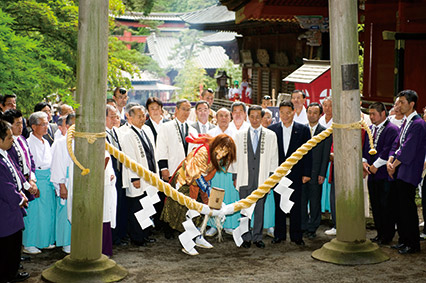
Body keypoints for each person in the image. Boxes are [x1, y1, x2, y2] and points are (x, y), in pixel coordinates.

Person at [161, 134, 237, 255]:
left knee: (201, 210)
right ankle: (188, 243)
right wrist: (209, 192)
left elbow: (208, 175)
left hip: (200, 184)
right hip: (186, 181)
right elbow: (197, 175)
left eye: (226, 151)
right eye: (222, 149)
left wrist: (209, 194)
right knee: (187, 212)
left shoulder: (217, 154)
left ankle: (197, 237)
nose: (223, 153)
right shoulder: (204, 151)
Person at [231, 105, 278, 249]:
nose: (255, 119)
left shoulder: (270, 135)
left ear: (262, 117)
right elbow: (235, 157)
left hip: (262, 178)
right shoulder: (239, 135)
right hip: (244, 177)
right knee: (245, 208)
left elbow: (273, 158)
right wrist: (235, 176)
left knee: (259, 208)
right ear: (247, 116)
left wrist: (271, 178)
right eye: (252, 116)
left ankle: (257, 236)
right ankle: (246, 236)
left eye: (258, 116)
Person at [387, 90, 426, 254]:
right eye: (398, 102)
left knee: (408, 208)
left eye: (402, 102)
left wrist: (394, 164)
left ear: (411, 104)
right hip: (401, 168)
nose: (399, 105)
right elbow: (398, 142)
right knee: (400, 207)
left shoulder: (418, 124)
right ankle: (404, 240)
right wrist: (390, 159)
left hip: (409, 170)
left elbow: (408, 149)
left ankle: (413, 243)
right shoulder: (406, 121)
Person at [269, 101, 312, 246]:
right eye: (282, 112)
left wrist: (307, 173)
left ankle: (296, 235)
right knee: (279, 204)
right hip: (277, 174)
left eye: (288, 112)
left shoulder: (303, 130)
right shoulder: (272, 130)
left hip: (296, 174)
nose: (285, 116)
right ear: (278, 113)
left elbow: (307, 153)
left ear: (294, 112)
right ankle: (279, 235)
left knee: (296, 205)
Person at [362, 102, 399, 245]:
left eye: (373, 114)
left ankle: (387, 234)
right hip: (372, 173)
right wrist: (364, 161)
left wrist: (376, 165)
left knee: (386, 205)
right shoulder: (370, 129)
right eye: (370, 114)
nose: (371, 117)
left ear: (383, 113)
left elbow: (389, 149)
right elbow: (366, 147)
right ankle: (379, 233)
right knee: (376, 204)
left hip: (384, 174)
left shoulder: (392, 129)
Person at [120, 105, 157, 247]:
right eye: (139, 116)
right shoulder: (128, 134)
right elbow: (130, 159)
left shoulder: (145, 131)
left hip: (149, 176)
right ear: (129, 117)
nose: (143, 119)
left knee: (148, 206)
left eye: (143, 116)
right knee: (138, 207)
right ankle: (137, 237)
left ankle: (145, 234)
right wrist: (134, 177)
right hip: (138, 178)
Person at [0, 120, 30, 283]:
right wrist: (19, 198)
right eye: (9, 137)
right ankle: (5, 276)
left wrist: (22, 189)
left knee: (14, 244)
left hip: (12, 207)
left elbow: (15, 173)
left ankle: (12, 272)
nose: (13, 139)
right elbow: (4, 186)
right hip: (5, 210)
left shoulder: (5, 153)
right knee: (7, 246)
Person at [23, 112, 56, 254]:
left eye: (47, 123)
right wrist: (32, 183)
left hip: (48, 177)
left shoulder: (46, 142)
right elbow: (29, 166)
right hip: (36, 178)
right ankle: (30, 243)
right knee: (35, 213)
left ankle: (45, 240)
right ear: (33, 126)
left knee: (48, 212)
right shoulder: (28, 143)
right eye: (43, 124)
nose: (46, 127)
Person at [205, 108, 239, 237]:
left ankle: (231, 225)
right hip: (215, 171)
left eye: (226, 116)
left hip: (231, 171)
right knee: (214, 196)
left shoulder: (237, 134)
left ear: (230, 118)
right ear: (216, 118)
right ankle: (214, 225)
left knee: (231, 196)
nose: (223, 118)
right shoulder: (210, 133)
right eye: (221, 116)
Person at [301, 103, 332, 239]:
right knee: (301, 201)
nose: (311, 115)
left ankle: (313, 227)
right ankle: (302, 225)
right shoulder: (301, 130)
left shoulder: (325, 132)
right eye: (309, 112)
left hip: (316, 172)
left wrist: (322, 173)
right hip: (302, 173)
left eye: (315, 113)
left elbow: (325, 155)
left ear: (320, 115)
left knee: (315, 201)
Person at [50, 114, 75, 254]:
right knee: (65, 212)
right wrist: (61, 186)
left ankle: (76, 240)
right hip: (65, 181)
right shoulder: (61, 142)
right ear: (68, 126)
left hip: (77, 181)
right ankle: (66, 243)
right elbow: (57, 165)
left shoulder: (81, 141)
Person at [156, 99, 198, 183]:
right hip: (172, 169)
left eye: (188, 110)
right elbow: (161, 149)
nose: (185, 112)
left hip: (188, 172)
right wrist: (163, 168)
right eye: (183, 109)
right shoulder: (166, 127)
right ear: (176, 109)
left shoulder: (193, 130)